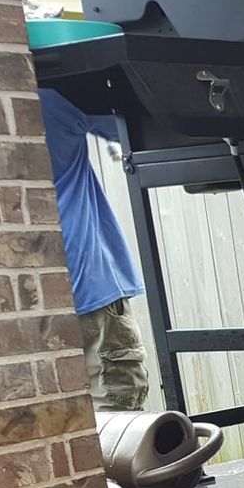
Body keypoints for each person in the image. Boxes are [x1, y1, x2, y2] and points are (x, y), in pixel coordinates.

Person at [40, 88, 149, 412]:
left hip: (16, 302)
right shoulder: (47, 95)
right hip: (88, 286)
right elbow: (135, 129)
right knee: (119, 424)